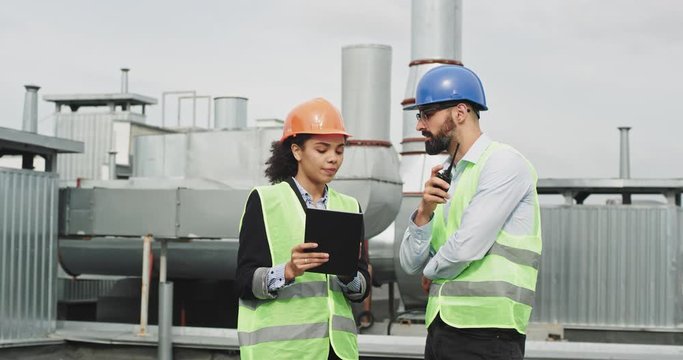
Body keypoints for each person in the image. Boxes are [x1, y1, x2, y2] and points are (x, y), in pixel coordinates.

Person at [399, 65, 542, 360]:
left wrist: (432, 273)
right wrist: (424, 212)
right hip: (442, 327)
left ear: (460, 112)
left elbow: (464, 249)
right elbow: (409, 263)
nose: (419, 126)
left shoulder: (503, 164)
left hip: (489, 333)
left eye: (426, 114)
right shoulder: (448, 175)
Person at [236, 98, 371, 360]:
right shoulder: (265, 201)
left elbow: (362, 284)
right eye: (322, 150)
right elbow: (243, 280)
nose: (333, 158)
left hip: (338, 351)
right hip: (282, 352)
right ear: (297, 151)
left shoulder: (350, 206)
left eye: (340, 150)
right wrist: (286, 271)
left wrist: (348, 276)